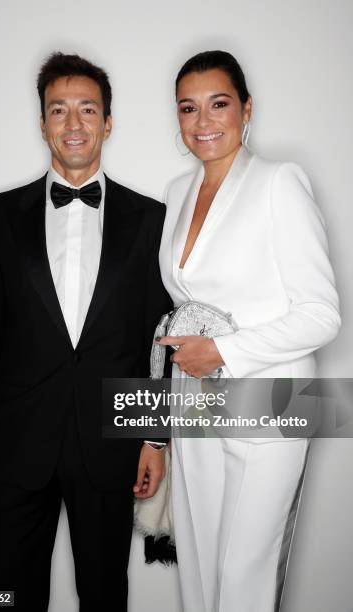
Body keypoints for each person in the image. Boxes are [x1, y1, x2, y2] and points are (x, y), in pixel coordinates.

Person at [0, 52, 171, 612]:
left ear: (108, 121)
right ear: (42, 122)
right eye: (59, 110)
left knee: (105, 595)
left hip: (108, 445)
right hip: (14, 445)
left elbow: (157, 343)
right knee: (7, 593)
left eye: (87, 110)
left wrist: (154, 440)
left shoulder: (151, 220)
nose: (73, 125)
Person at [157, 50, 341, 612]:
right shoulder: (175, 194)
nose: (203, 121)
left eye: (219, 104)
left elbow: (321, 313)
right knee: (200, 564)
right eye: (189, 108)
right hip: (195, 405)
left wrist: (222, 353)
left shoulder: (278, 181)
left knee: (244, 576)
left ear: (246, 109)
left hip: (273, 403)